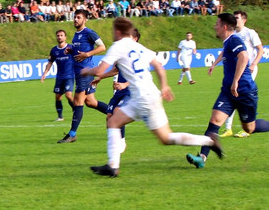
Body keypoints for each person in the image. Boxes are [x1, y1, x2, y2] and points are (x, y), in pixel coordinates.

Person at [83, 19, 223, 177]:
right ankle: (209, 141)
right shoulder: (137, 47)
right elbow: (158, 65)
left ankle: (113, 166)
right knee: (160, 136)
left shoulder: (118, 46)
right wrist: (164, 86)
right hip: (148, 96)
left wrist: (86, 71)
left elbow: (99, 70)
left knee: (117, 123)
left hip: (142, 99)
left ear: (118, 31)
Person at [186, 13, 269, 169]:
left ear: (224, 27)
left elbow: (244, 57)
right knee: (215, 120)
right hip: (228, 91)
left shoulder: (234, 40)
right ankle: (202, 158)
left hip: (244, 91)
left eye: (217, 24)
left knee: (249, 128)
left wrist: (235, 81)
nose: (214, 26)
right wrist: (216, 65)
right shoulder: (228, 42)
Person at [58, 8, 109, 143]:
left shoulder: (89, 33)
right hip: (79, 72)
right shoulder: (76, 35)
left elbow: (102, 47)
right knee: (90, 102)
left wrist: (87, 54)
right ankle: (114, 112)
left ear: (85, 19)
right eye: (75, 17)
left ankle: (72, 134)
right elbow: (79, 50)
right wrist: (71, 51)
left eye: (79, 17)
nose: (75, 19)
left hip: (85, 72)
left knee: (77, 102)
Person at [212, 10, 263, 138]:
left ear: (244, 20)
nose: (235, 19)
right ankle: (228, 128)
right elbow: (225, 51)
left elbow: (259, 50)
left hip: (247, 70)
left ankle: (247, 125)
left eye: (237, 18)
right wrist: (214, 63)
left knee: (240, 93)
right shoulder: (231, 36)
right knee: (232, 95)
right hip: (234, 71)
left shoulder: (249, 33)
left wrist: (254, 64)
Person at [40, 29, 75, 121]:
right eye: (58, 35)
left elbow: (78, 58)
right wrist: (44, 74)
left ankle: (75, 110)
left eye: (61, 35)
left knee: (68, 95)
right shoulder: (54, 50)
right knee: (58, 96)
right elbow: (50, 63)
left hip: (69, 76)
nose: (59, 37)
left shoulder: (71, 48)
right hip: (59, 77)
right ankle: (60, 117)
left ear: (65, 37)